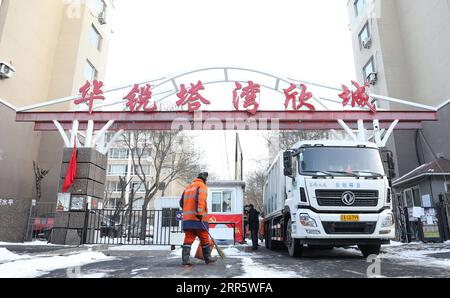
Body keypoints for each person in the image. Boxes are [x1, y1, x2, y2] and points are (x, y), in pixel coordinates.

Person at [179, 172, 217, 267]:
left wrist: (188, 210)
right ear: (204, 179)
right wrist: (199, 213)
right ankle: (208, 259)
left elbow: (181, 202)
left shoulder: (188, 187)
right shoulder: (202, 186)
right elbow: (201, 200)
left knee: (188, 239)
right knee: (204, 238)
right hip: (198, 219)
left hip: (188, 219)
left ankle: (185, 261)